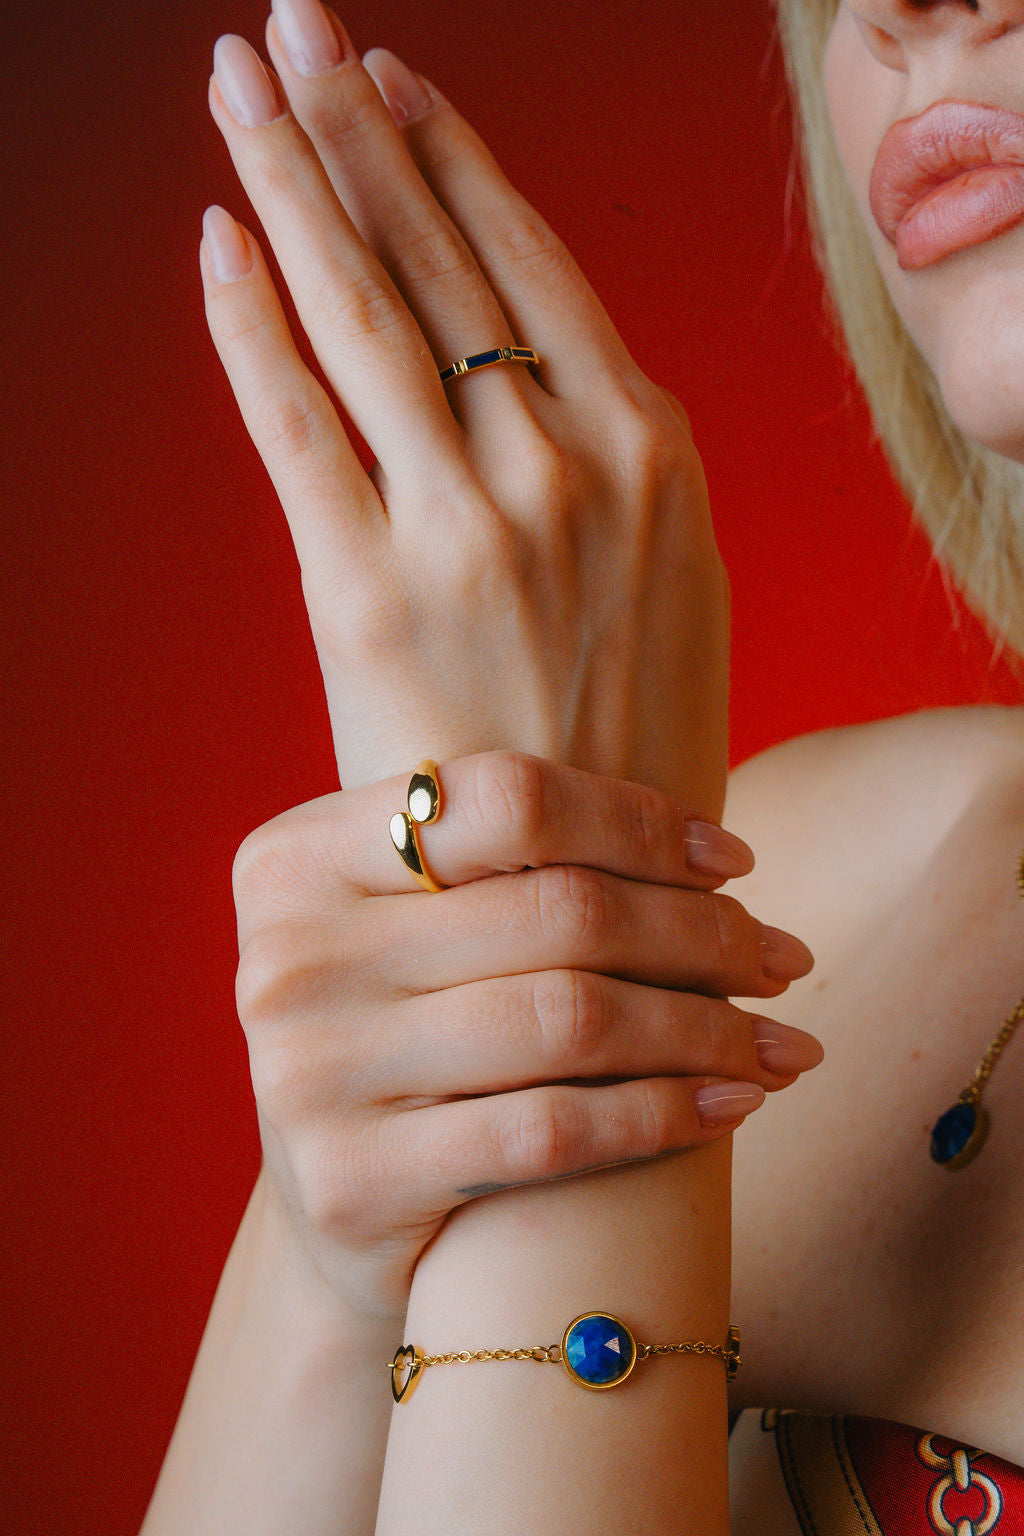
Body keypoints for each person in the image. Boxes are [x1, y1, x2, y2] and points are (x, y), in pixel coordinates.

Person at [139, 0, 1024, 1531]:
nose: (905, 7)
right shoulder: (776, 872)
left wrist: (575, 1127)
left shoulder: (658, 914)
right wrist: (325, 1239)